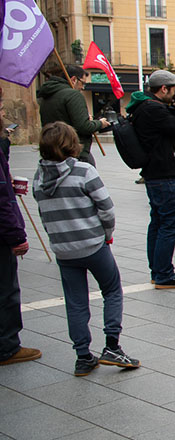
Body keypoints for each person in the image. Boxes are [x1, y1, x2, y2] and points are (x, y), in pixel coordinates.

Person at [31, 122, 139, 375]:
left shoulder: (39, 176)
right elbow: (106, 207)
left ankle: (82, 355)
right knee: (111, 289)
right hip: (92, 244)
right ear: (71, 143)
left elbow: (43, 212)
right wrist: (107, 234)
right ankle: (112, 345)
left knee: (75, 301)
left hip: (64, 249)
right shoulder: (83, 171)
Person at [128, 69, 175, 289]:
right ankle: (164, 275)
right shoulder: (153, 109)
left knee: (158, 223)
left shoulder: (146, 108)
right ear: (163, 89)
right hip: (165, 175)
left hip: (155, 174)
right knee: (169, 225)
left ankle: (159, 270)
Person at [0, 142, 39, 367]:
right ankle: (7, 347)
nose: (4, 114)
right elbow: (2, 200)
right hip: (3, 235)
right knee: (6, 290)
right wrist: (16, 236)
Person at [37, 63, 109, 166]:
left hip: (53, 151)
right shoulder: (73, 95)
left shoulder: (47, 96)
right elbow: (83, 126)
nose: (83, 88)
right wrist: (100, 123)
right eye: (82, 83)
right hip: (73, 151)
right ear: (74, 79)